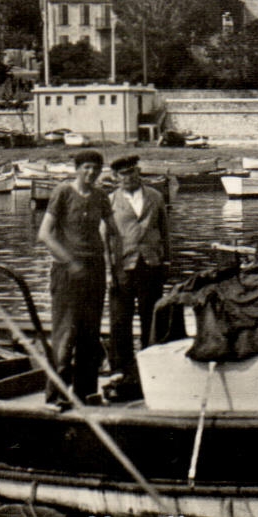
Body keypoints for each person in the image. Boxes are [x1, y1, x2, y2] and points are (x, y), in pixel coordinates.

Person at [36, 149, 117, 406]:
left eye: (95, 168)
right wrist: (70, 262)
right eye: (86, 168)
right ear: (77, 169)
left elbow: (114, 231)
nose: (90, 173)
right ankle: (56, 396)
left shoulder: (101, 196)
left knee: (90, 336)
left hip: (95, 271)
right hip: (67, 273)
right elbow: (45, 234)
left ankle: (85, 393)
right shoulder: (63, 192)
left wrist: (115, 265)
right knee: (65, 335)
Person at [107, 155, 174, 379]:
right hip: (122, 266)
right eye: (123, 174)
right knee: (120, 319)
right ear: (115, 177)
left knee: (151, 315)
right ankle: (121, 368)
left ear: (139, 172)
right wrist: (108, 270)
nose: (129, 177)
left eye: (132, 172)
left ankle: (152, 364)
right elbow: (104, 238)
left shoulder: (155, 197)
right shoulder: (109, 202)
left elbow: (164, 231)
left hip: (151, 263)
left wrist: (166, 261)